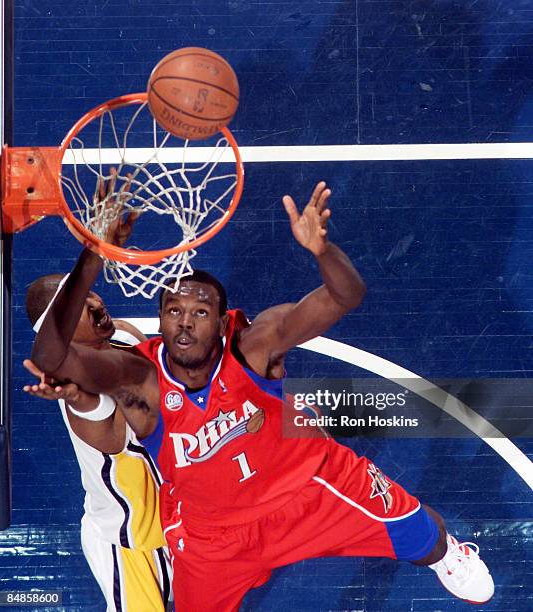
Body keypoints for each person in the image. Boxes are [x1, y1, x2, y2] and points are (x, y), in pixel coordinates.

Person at [30, 181, 494, 611]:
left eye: (200, 311)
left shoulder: (255, 346)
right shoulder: (139, 378)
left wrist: (323, 250)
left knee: (423, 536)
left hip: (309, 490)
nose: (186, 322)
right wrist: (93, 253)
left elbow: (345, 296)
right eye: (174, 310)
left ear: (223, 319)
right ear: (162, 319)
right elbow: (52, 352)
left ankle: (448, 556)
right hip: (214, 538)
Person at [24, 198, 173, 611]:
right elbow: (98, 420)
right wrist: (80, 399)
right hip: (131, 540)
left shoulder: (124, 334)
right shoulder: (74, 387)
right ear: (63, 330)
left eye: (92, 296)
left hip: (176, 519)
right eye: (82, 308)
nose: (96, 305)